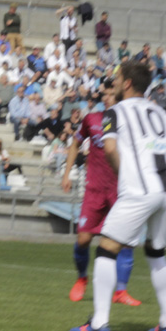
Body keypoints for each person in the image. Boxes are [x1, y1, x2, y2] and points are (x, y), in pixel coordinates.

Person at [69, 62, 166, 331]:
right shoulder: (163, 113)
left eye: (116, 77)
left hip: (139, 189)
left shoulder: (114, 111)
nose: (112, 81)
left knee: (106, 248)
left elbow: (109, 147)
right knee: (156, 252)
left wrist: (124, 176)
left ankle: (99, 322)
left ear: (126, 84)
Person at [61, 79, 141, 306]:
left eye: (109, 93)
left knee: (125, 242)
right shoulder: (92, 119)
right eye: (103, 94)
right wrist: (67, 174)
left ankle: (121, 292)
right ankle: (81, 278)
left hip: (120, 190)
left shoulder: (129, 121)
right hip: (94, 190)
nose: (105, 97)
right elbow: (76, 144)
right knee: (83, 238)